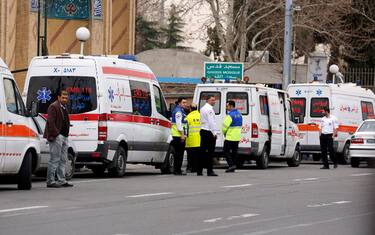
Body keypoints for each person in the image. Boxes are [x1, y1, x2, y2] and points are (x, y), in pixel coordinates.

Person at [44, 90, 73, 188]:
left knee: (63, 159)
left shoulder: (64, 107)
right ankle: (50, 181)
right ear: (58, 97)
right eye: (63, 97)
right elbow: (50, 123)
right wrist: (57, 134)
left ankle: (61, 180)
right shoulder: (53, 106)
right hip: (57, 136)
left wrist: (66, 135)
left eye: (66, 98)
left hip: (64, 136)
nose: (65, 99)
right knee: (55, 159)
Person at [199, 95, 219, 176]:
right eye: (212, 100)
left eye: (214, 100)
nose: (214, 101)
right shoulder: (209, 109)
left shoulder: (202, 108)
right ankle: (210, 171)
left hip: (203, 130)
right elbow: (211, 122)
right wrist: (214, 133)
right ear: (207, 100)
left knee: (202, 152)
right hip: (209, 132)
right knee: (210, 152)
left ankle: (199, 171)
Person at [222, 100, 243, 173]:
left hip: (230, 137)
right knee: (234, 152)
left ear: (231, 106)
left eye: (227, 106)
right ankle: (233, 165)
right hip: (237, 137)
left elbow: (224, 127)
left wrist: (224, 133)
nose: (226, 108)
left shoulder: (230, 115)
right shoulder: (239, 114)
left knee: (225, 151)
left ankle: (231, 165)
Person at [171, 97, 188, 175]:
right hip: (178, 135)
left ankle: (178, 169)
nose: (185, 104)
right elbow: (178, 125)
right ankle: (177, 170)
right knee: (179, 154)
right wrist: (182, 135)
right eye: (183, 102)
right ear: (179, 103)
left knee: (179, 153)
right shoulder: (178, 112)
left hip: (179, 135)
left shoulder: (181, 110)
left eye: (185, 102)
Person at [185, 104, 200, 174]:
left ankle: (189, 167)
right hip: (199, 139)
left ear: (190, 109)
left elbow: (185, 128)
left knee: (190, 155)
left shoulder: (188, 117)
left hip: (190, 139)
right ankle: (196, 168)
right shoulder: (200, 116)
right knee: (197, 155)